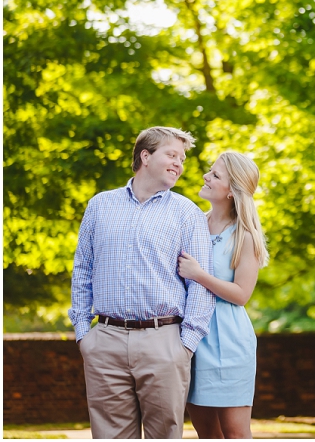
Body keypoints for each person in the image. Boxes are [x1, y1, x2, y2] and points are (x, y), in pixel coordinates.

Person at [69, 126, 215, 439]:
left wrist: (185, 345)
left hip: (164, 341)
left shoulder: (187, 213)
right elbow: (82, 269)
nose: (179, 163)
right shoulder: (100, 206)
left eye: (183, 158)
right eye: (172, 155)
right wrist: (84, 334)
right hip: (104, 341)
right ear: (145, 156)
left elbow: (201, 284)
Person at [178, 151, 269, 439]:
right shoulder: (191, 225)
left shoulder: (245, 236)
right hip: (192, 339)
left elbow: (242, 294)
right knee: (206, 433)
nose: (206, 176)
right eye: (210, 170)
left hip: (228, 342)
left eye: (216, 175)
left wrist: (199, 275)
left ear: (232, 192)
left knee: (235, 433)